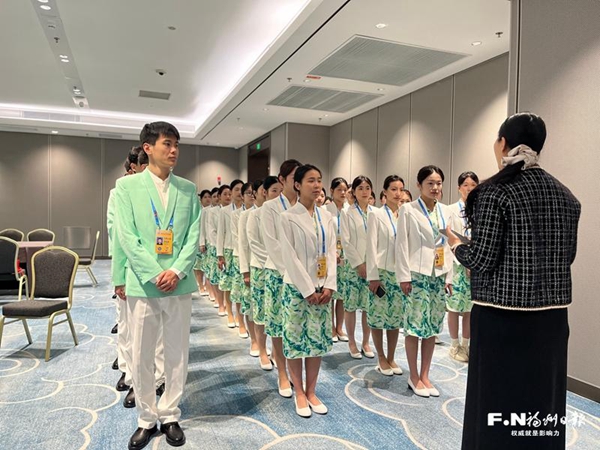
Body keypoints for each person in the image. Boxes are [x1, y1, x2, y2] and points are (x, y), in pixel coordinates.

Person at [446, 113, 580, 450]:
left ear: (503, 143)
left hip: (501, 319)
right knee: (542, 404)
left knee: (496, 403)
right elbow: (567, 257)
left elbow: (482, 259)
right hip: (552, 321)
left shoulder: (493, 193)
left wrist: (457, 245)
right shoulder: (566, 196)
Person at [114, 121, 200, 449]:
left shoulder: (188, 189)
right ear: (148, 148)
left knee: (177, 352)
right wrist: (153, 273)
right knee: (141, 353)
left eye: (176, 144)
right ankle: (146, 417)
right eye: (167, 144)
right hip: (143, 283)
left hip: (178, 283)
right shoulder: (127, 187)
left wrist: (176, 270)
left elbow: (193, 235)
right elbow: (126, 236)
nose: (174, 150)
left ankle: (170, 414)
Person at [110, 147, 165, 409]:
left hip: (162, 270)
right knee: (130, 328)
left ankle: (159, 379)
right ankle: (130, 374)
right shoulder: (121, 190)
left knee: (160, 332)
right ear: (136, 167)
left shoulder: (165, 191)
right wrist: (119, 275)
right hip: (132, 270)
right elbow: (117, 234)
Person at [279, 164, 337, 418]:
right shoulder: (287, 217)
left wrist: (330, 285)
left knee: (316, 341)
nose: (316, 185)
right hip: (297, 290)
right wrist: (307, 289)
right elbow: (289, 257)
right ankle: (299, 392)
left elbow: (332, 252)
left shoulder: (327, 217)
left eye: (319, 180)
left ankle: (312, 391)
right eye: (310, 180)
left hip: (323, 289)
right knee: (295, 341)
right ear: (297, 185)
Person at [395, 165, 454, 398]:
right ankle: (413, 375)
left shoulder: (445, 211)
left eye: (438, 183)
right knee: (414, 327)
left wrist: (449, 276)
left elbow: (448, 246)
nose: (435, 187)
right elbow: (401, 245)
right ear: (419, 185)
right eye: (430, 183)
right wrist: (404, 277)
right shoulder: (408, 210)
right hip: (416, 276)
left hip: (438, 276)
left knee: (431, 328)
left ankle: (425, 375)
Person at [261, 159, 302, 398]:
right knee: (277, 324)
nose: (297, 182)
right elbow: (272, 243)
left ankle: (296, 374)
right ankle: (282, 374)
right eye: (294, 177)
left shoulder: (307, 205)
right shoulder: (270, 207)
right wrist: (291, 270)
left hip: (303, 276)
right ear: (282, 179)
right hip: (279, 273)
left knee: (296, 325)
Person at [366, 175, 405, 376]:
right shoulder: (376, 214)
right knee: (377, 316)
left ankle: (391, 357)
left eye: (400, 189)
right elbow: (371, 247)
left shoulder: (405, 214)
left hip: (399, 273)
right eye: (393, 189)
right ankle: (380, 356)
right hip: (380, 272)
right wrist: (373, 276)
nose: (398, 193)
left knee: (395, 318)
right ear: (385, 192)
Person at [247, 176, 282, 371]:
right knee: (260, 312)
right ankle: (262, 350)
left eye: (280, 191)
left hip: (281, 270)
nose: (278, 195)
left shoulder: (286, 214)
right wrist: (272, 261)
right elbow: (254, 243)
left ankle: (276, 353)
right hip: (261, 268)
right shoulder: (255, 215)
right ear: (264, 193)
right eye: (274, 191)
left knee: (276, 313)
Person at [446, 172, 479, 362]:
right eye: (465, 185)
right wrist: (462, 260)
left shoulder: (479, 209)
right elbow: (447, 237)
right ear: (459, 188)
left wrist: (473, 262)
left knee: (469, 308)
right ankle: (454, 345)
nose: (469, 188)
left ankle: (465, 345)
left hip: (474, 266)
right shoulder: (451, 210)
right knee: (453, 307)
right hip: (456, 264)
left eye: (473, 185)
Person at [340, 176, 375, 359]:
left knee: (369, 306)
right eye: (360, 188)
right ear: (353, 191)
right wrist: (359, 264)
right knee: (351, 306)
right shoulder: (346, 212)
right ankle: (352, 342)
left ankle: (366, 342)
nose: (364, 191)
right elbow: (346, 242)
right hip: (353, 267)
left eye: (367, 187)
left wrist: (372, 264)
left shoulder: (376, 212)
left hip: (373, 266)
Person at [325, 177, 350, 343]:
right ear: (332, 191)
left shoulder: (349, 210)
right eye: (339, 190)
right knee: (331, 294)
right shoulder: (325, 210)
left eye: (345, 190)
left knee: (342, 296)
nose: (342, 193)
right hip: (330, 257)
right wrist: (331, 251)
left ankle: (340, 327)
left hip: (346, 258)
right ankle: (331, 327)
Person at [238, 180, 261, 352]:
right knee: (251, 305)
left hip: (269, 269)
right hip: (252, 266)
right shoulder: (246, 215)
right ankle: (254, 340)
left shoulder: (272, 212)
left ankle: (265, 343)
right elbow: (243, 244)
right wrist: (245, 271)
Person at [217, 180, 243, 328]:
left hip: (241, 252)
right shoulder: (224, 211)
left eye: (241, 189)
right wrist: (220, 255)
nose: (239, 193)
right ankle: (230, 314)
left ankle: (240, 317)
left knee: (238, 286)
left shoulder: (246, 210)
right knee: (227, 284)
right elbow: (221, 233)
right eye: (236, 189)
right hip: (228, 250)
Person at [230, 181, 254, 338]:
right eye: (248, 193)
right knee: (240, 293)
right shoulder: (236, 214)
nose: (251, 196)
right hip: (240, 256)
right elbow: (237, 238)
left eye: (253, 193)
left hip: (256, 259)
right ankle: (241, 322)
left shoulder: (259, 212)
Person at [193, 189, 212, 297]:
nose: (208, 199)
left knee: (206, 265)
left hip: (208, 242)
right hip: (198, 241)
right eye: (205, 197)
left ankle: (206, 285)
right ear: (201, 199)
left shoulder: (212, 210)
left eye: (209, 197)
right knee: (198, 265)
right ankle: (200, 285)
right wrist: (201, 242)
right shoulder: (198, 211)